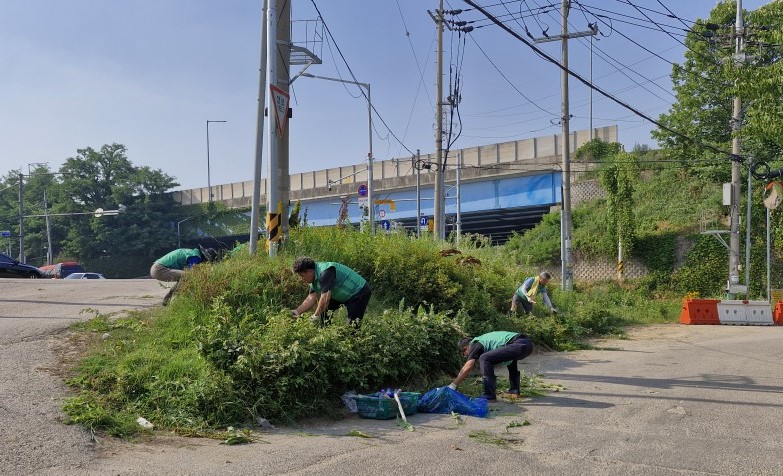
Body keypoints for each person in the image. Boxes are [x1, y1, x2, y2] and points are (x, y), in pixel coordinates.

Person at [448, 331, 534, 401]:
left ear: (465, 348)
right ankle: (514, 391)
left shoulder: (475, 344)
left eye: (464, 354)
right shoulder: (483, 341)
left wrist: (453, 385)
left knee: (484, 358)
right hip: (527, 343)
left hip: (518, 343)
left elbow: (468, 366)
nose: (466, 355)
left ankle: (489, 395)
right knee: (510, 360)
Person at [291, 257, 372, 327]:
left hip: (359, 291)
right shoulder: (313, 278)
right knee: (324, 312)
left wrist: (315, 316)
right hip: (341, 293)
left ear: (309, 271)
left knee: (353, 325)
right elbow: (311, 297)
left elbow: (325, 298)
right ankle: (325, 332)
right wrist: (296, 311)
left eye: (302, 275)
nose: (301, 279)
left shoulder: (325, 272)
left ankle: (353, 338)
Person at [150, 245, 218, 305]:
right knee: (188, 276)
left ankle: (166, 301)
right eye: (207, 261)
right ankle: (175, 302)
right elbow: (194, 274)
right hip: (159, 269)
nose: (206, 263)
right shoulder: (195, 257)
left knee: (184, 278)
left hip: (157, 268)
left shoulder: (192, 252)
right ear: (205, 257)